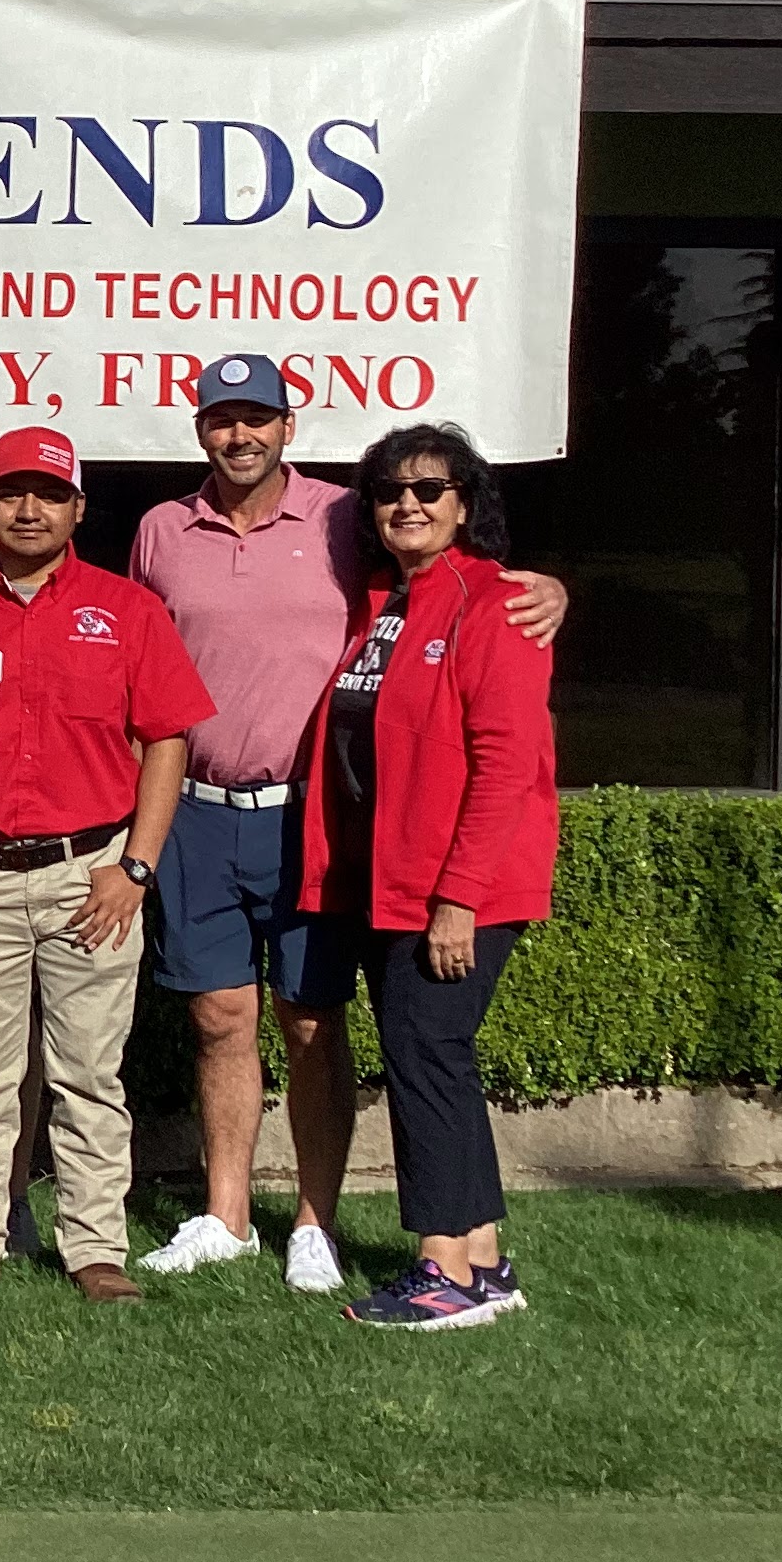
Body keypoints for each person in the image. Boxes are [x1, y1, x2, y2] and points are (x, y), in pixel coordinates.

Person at [128, 351, 566, 1293]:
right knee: (221, 1019)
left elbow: (482, 632)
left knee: (320, 1023)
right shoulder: (164, 530)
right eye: (219, 418)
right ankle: (230, 1217)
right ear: (199, 428)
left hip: (309, 820)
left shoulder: (339, 522)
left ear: (291, 425)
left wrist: (553, 590)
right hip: (203, 811)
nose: (237, 434)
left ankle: (326, 1230)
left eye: (257, 417)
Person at [0, 429, 214, 1302]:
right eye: (13, 492)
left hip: (89, 874)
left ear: (77, 510)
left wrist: (135, 867)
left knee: (88, 1073)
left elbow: (167, 738)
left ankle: (96, 1247)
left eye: (48, 495)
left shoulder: (126, 610)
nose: (29, 509)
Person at [299, 425, 560, 1329]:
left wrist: (459, 897)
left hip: (455, 891)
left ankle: (441, 1270)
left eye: (430, 488)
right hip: (392, 881)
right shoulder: (389, 603)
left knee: (427, 1058)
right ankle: (484, 1264)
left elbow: (505, 763)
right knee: (435, 1059)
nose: (408, 503)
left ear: (465, 503)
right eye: (389, 490)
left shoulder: (497, 605)